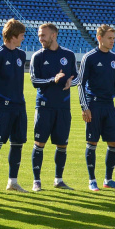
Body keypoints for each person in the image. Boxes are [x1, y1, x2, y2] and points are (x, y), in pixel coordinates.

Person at [0, 19, 29, 194]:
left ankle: (13, 182)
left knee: (17, 144)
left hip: (19, 106)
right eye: (22, 35)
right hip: (2, 106)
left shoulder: (21, 55)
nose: (23, 38)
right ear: (14, 36)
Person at [29, 23, 78, 191]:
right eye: (39, 35)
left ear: (54, 35)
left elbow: (78, 78)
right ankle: (37, 181)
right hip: (44, 106)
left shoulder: (69, 55)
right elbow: (35, 81)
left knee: (62, 144)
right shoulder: (38, 56)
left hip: (63, 107)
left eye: (44, 35)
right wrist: (53, 80)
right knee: (39, 143)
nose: (40, 38)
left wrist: (71, 82)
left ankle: (58, 179)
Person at [77, 25, 115, 191]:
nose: (113, 41)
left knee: (114, 142)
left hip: (109, 106)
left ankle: (108, 179)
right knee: (92, 142)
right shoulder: (89, 58)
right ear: (100, 38)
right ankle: (92, 180)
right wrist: (85, 107)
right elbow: (80, 84)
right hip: (94, 105)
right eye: (109, 38)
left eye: (113, 38)